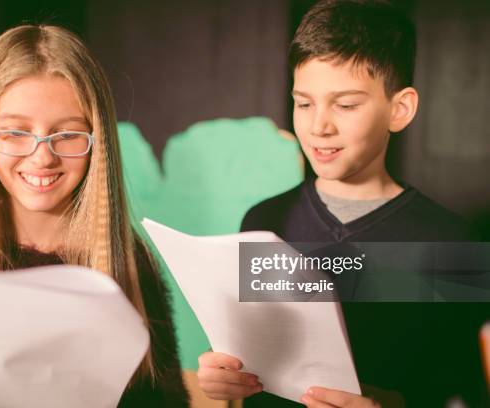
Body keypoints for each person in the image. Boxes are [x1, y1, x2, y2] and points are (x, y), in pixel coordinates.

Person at [0, 24, 189, 407]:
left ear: (98, 142)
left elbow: (168, 400)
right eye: (15, 133)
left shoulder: (131, 259)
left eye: (68, 135)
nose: (42, 156)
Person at [197, 0, 483, 407]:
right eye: (304, 103)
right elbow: (248, 354)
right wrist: (225, 376)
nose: (319, 126)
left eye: (346, 105)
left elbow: (463, 392)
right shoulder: (264, 222)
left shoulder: (452, 239)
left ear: (399, 110)